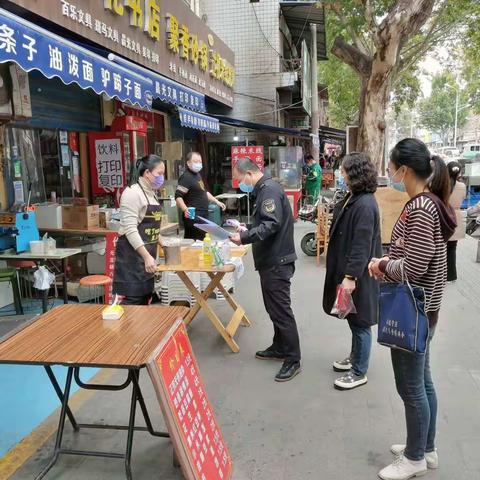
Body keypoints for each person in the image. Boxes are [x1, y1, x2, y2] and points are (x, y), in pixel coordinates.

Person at [369, 139, 456, 480]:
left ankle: (415, 456)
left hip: (413, 311)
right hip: (425, 310)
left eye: (390, 169)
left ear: (404, 170)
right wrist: (391, 261)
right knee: (424, 383)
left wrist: (382, 265)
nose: (389, 175)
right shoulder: (429, 203)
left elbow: (416, 266)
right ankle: (426, 447)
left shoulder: (421, 208)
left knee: (411, 388)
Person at [230, 157, 301, 382]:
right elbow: (264, 221)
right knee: (274, 309)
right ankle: (279, 346)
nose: (242, 183)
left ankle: (293, 359)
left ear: (249, 174)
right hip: (272, 261)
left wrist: (243, 237)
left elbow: (271, 224)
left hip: (276, 261)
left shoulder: (268, 189)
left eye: (241, 179)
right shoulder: (265, 188)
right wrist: (247, 228)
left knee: (281, 311)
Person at [323, 152, 381, 390]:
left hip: (357, 275)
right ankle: (355, 358)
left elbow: (361, 245)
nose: (341, 173)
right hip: (348, 271)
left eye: (344, 170)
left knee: (360, 323)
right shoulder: (354, 196)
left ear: (354, 173)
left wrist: (350, 277)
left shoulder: (365, 204)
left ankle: (359, 371)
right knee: (352, 319)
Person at [112, 154, 165, 305]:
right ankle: (122, 329)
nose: (162, 177)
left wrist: (164, 244)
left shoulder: (151, 194)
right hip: (132, 257)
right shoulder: (132, 193)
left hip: (147, 256)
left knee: (144, 297)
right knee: (134, 300)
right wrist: (147, 256)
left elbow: (152, 227)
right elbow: (130, 229)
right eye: (159, 173)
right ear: (147, 173)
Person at [175, 151, 226, 240]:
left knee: (202, 241)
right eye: (195, 161)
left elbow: (204, 192)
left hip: (203, 215)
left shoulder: (197, 175)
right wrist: (185, 209)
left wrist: (216, 201)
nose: (198, 164)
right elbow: (178, 196)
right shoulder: (186, 177)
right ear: (188, 163)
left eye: (200, 162)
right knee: (194, 242)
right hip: (193, 217)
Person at [447, 161, 466, 282]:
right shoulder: (462, 186)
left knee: (442, 248)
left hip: (444, 216)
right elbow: (462, 198)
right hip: (457, 217)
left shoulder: (442, 185)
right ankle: (452, 276)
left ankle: (440, 274)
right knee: (452, 248)